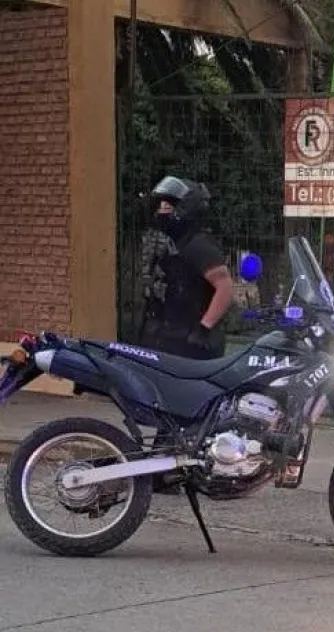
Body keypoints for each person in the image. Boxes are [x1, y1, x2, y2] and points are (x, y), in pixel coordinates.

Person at [140, 175, 236, 493]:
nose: (163, 210)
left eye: (170, 205)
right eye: (161, 204)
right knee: (169, 407)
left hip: (194, 341)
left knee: (188, 409)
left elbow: (224, 287)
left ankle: (183, 471)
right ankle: (165, 470)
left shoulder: (198, 245)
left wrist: (204, 327)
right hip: (172, 335)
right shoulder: (174, 243)